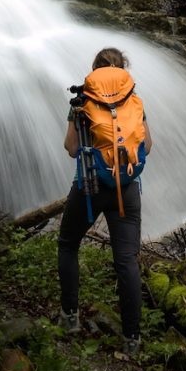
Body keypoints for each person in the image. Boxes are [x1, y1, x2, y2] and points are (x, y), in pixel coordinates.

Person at [58, 46, 150, 355]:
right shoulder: (133, 100)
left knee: (68, 244)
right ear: (123, 69)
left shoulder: (82, 101)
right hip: (127, 187)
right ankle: (132, 339)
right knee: (126, 261)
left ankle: (70, 318)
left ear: (95, 69)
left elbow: (71, 147)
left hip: (89, 185)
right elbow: (147, 145)